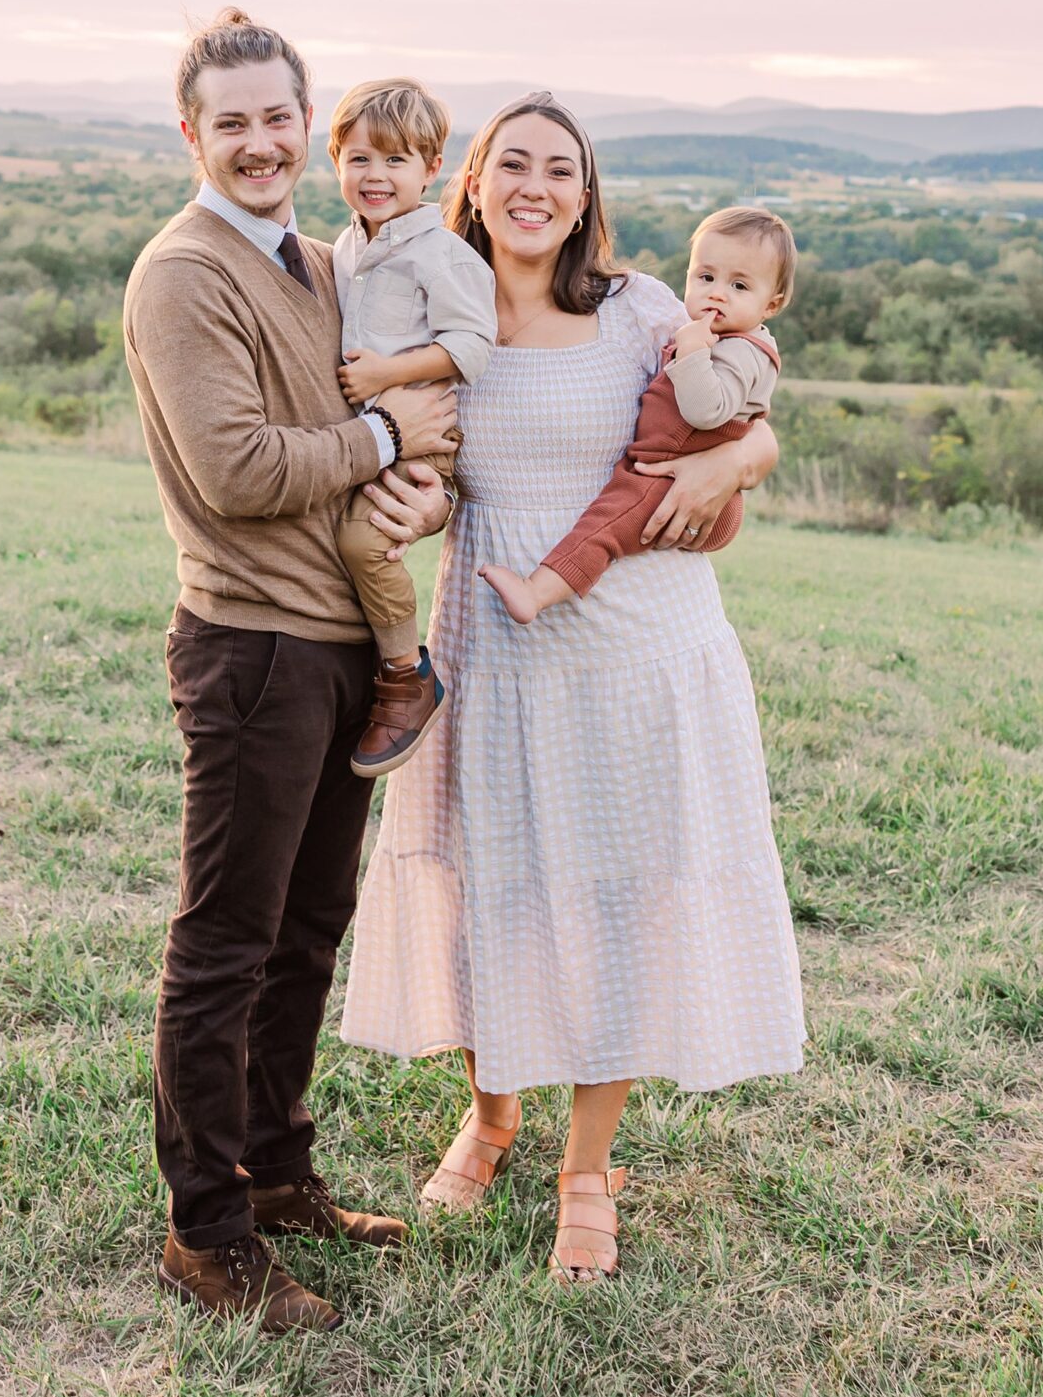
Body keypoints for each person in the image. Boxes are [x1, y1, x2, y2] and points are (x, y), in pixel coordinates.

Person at [341, 94, 806, 1286]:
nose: (536, 186)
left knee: (618, 901)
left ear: (587, 194)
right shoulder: (432, 314)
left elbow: (745, 414)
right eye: (514, 166)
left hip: (641, 648)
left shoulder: (646, 306)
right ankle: (490, 1117)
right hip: (494, 639)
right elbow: (425, 464)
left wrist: (746, 455)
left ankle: (586, 1169)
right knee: (495, 888)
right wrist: (415, 505)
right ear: (476, 183)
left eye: (563, 167)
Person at [122, 9, 456, 1333]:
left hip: (339, 655)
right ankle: (203, 1236)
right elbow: (241, 469)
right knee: (224, 945)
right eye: (231, 121)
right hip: (252, 649)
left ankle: (274, 1176)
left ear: (300, 126)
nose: (258, 143)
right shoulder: (181, 273)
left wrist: (410, 471)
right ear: (190, 131)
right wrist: (383, 431)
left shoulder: (322, 263)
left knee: (305, 932)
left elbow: (398, 427)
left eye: (277, 119)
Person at [479, 204, 792, 623]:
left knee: (604, 529)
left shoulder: (742, 350)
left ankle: (536, 592)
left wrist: (692, 352)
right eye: (706, 277)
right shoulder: (708, 334)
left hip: (667, 477)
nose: (717, 293)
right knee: (608, 517)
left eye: (739, 286)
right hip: (660, 463)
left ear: (771, 304)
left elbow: (706, 411)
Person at [327, 76, 497, 778]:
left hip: (422, 432)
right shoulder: (344, 246)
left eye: (396, 161)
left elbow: (471, 348)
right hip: (369, 431)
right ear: (335, 157)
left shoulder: (443, 254)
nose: (375, 175)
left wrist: (383, 377)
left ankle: (405, 675)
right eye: (360, 158)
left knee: (362, 541)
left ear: (433, 171)